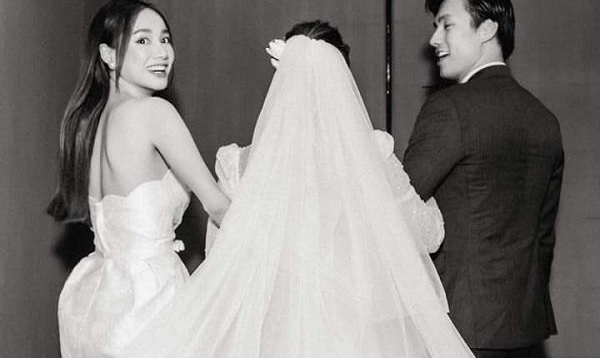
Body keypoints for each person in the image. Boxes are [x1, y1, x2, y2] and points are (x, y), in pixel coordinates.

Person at [118, 21, 475, 358]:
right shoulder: (371, 155)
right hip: (355, 336)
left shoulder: (238, 164)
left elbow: (220, 257)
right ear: (343, 81)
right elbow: (429, 236)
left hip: (272, 337)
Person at [47, 0, 230, 358]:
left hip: (94, 302)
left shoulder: (85, 124)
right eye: (143, 40)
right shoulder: (153, 112)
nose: (162, 52)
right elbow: (218, 206)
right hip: (151, 298)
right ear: (109, 55)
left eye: (165, 39)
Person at [403, 0, 564, 358]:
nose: (434, 40)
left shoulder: (451, 108)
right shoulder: (545, 119)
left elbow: (398, 207)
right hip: (524, 330)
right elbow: (544, 238)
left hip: (457, 328)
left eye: (447, 25)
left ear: (487, 29)